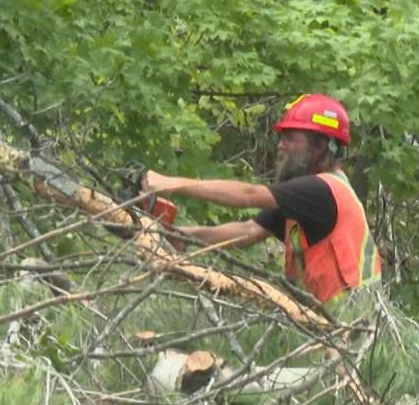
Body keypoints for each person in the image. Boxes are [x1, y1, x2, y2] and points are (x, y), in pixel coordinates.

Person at [142, 93, 382, 306]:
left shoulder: (320, 190)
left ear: (319, 146)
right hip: (338, 322)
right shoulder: (311, 196)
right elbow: (249, 231)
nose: (281, 145)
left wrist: (172, 183)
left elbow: (249, 195)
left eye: (290, 138)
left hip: (348, 325)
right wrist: (184, 235)